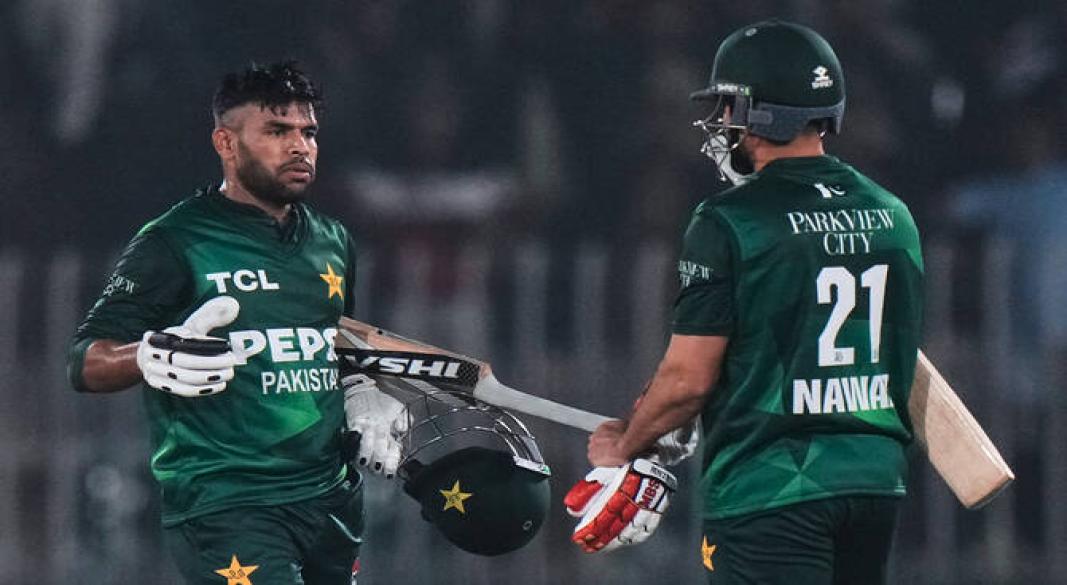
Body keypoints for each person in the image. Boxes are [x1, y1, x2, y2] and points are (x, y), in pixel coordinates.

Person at [564, 20, 924, 585]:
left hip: (773, 484)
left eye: (730, 105)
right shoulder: (892, 213)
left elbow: (688, 378)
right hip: (874, 481)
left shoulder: (730, 221)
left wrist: (627, 442)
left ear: (761, 114)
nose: (722, 121)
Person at [67, 61, 404, 584]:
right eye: (276, 131)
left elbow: (331, 341)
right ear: (225, 143)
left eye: (307, 132)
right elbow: (83, 360)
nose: (300, 146)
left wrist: (363, 388)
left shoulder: (332, 240)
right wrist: (147, 355)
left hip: (330, 501)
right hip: (229, 506)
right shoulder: (175, 240)